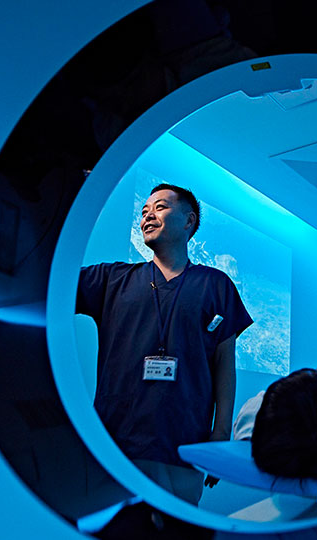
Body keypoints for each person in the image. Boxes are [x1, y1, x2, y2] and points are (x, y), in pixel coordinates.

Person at [77, 183, 253, 505]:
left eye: (160, 207)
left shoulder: (216, 285)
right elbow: (52, 281)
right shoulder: (111, 280)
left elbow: (224, 364)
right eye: (144, 211)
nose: (147, 215)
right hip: (114, 442)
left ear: (188, 221)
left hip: (184, 443)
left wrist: (221, 434)